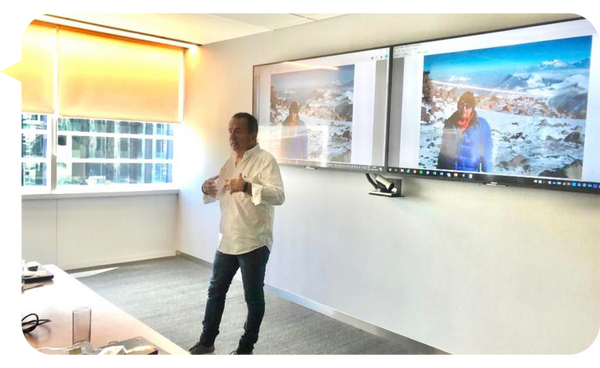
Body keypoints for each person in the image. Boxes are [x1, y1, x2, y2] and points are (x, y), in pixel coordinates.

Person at [189, 112, 285, 358]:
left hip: (254, 240)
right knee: (215, 292)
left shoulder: (265, 161)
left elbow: (278, 196)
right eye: (230, 130)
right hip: (227, 239)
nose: (232, 135)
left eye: (238, 130)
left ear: (253, 134)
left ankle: (245, 349)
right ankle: (206, 342)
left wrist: (248, 186)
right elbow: (218, 192)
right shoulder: (229, 162)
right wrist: (205, 187)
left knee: (253, 298)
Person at [437, 92, 493, 172]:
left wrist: (487, 176)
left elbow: (487, 153)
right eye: (461, 105)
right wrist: (439, 173)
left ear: (472, 108)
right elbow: (443, 150)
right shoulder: (450, 123)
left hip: (469, 176)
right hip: (449, 175)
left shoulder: (481, 125)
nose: (464, 109)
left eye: (468, 106)